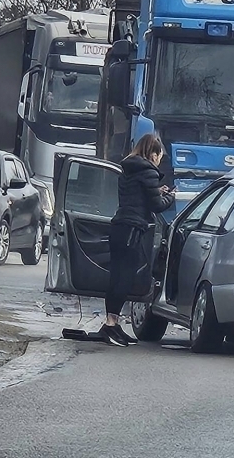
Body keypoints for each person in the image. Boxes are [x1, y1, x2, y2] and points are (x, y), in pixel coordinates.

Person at [101, 133, 175, 346]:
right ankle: (110, 324)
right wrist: (171, 196)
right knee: (124, 278)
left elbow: (138, 194)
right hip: (133, 229)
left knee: (116, 276)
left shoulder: (130, 168)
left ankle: (112, 324)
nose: (159, 160)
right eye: (159, 155)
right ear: (153, 153)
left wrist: (157, 191)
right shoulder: (148, 171)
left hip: (120, 226)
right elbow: (157, 206)